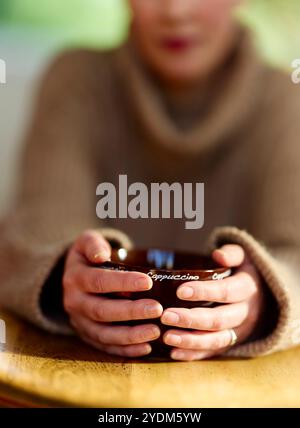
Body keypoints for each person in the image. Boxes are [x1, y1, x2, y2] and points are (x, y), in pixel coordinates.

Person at [0, 0, 300, 361]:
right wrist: (63, 276)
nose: (175, 11)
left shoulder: (286, 101)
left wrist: (266, 296)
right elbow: (35, 230)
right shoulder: (76, 78)